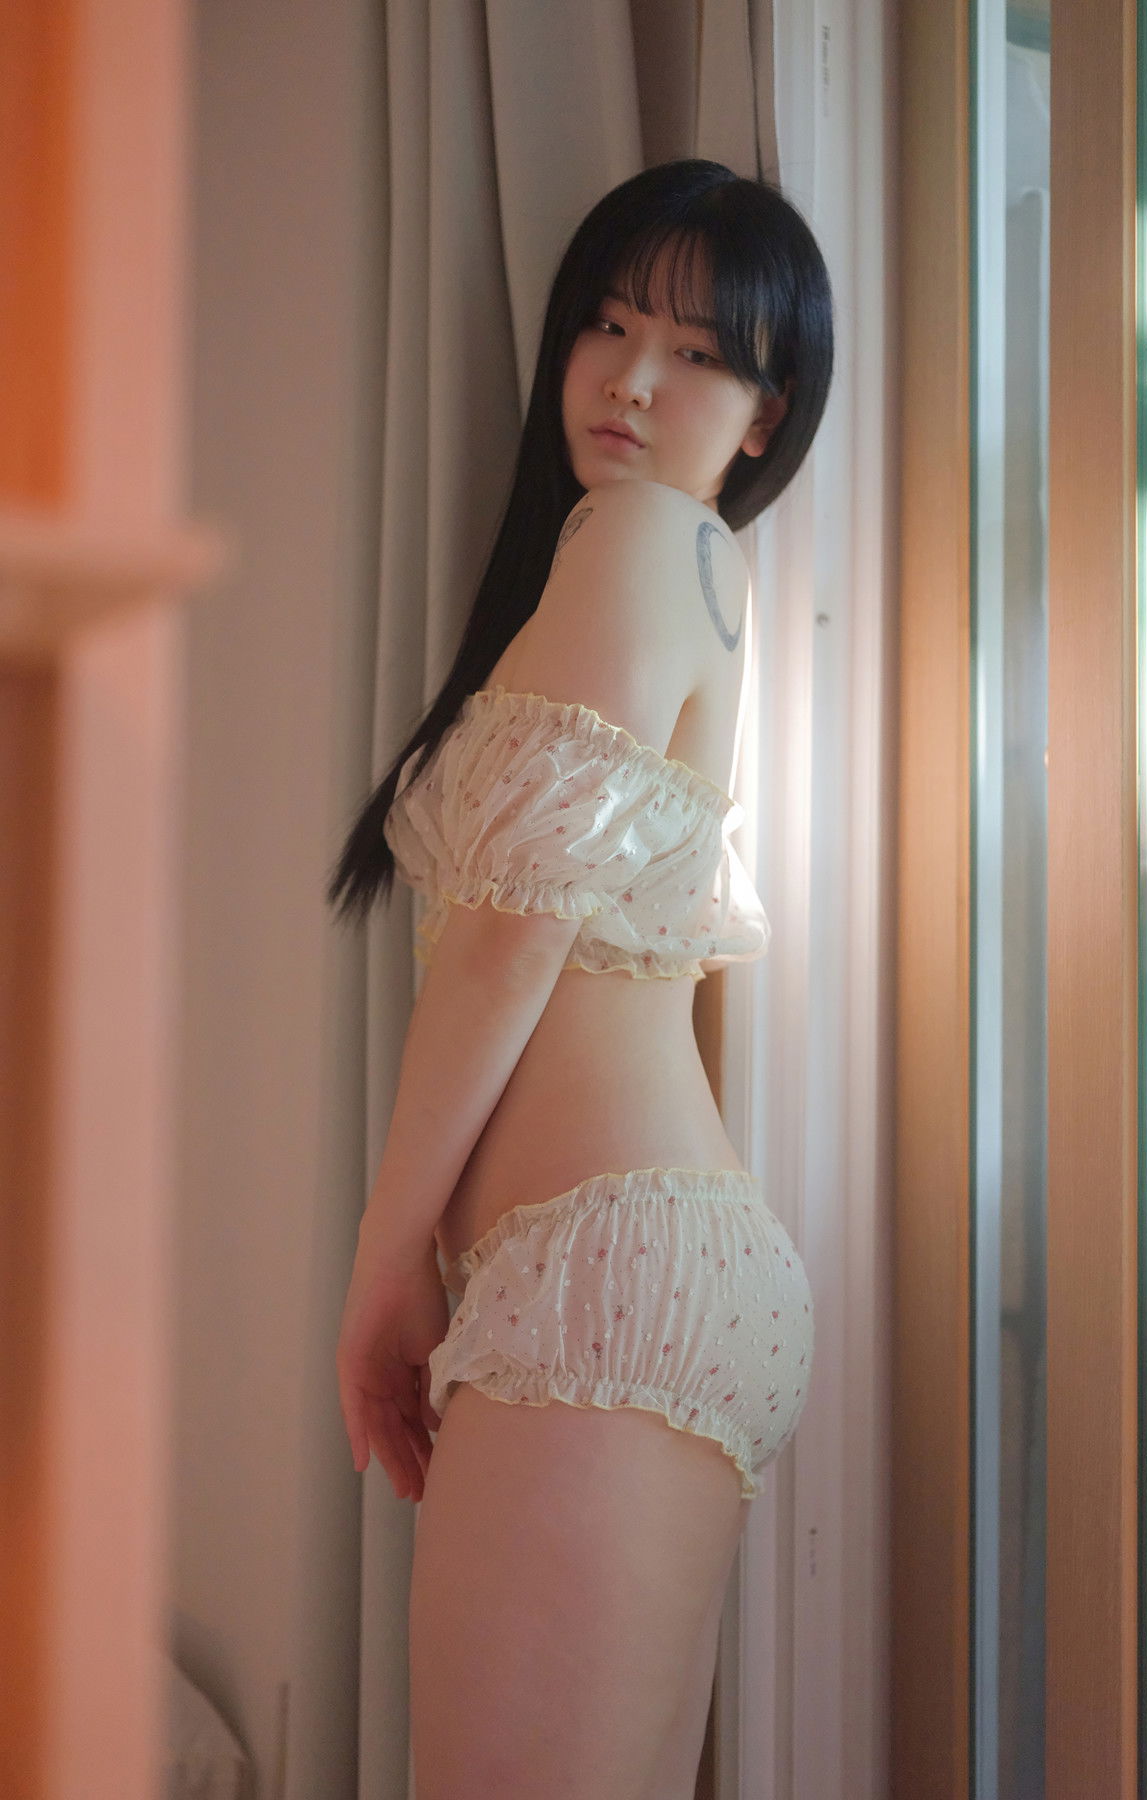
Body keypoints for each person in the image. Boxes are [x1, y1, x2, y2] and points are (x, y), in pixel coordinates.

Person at [326, 158, 834, 1798]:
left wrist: (384, 1266)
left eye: (697, 353)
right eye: (608, 326)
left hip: (604, 1270)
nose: (630, 379)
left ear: (765, 414)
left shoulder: (640, 535)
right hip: (648, 1265)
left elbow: (509, 936)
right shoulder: (692, 566)